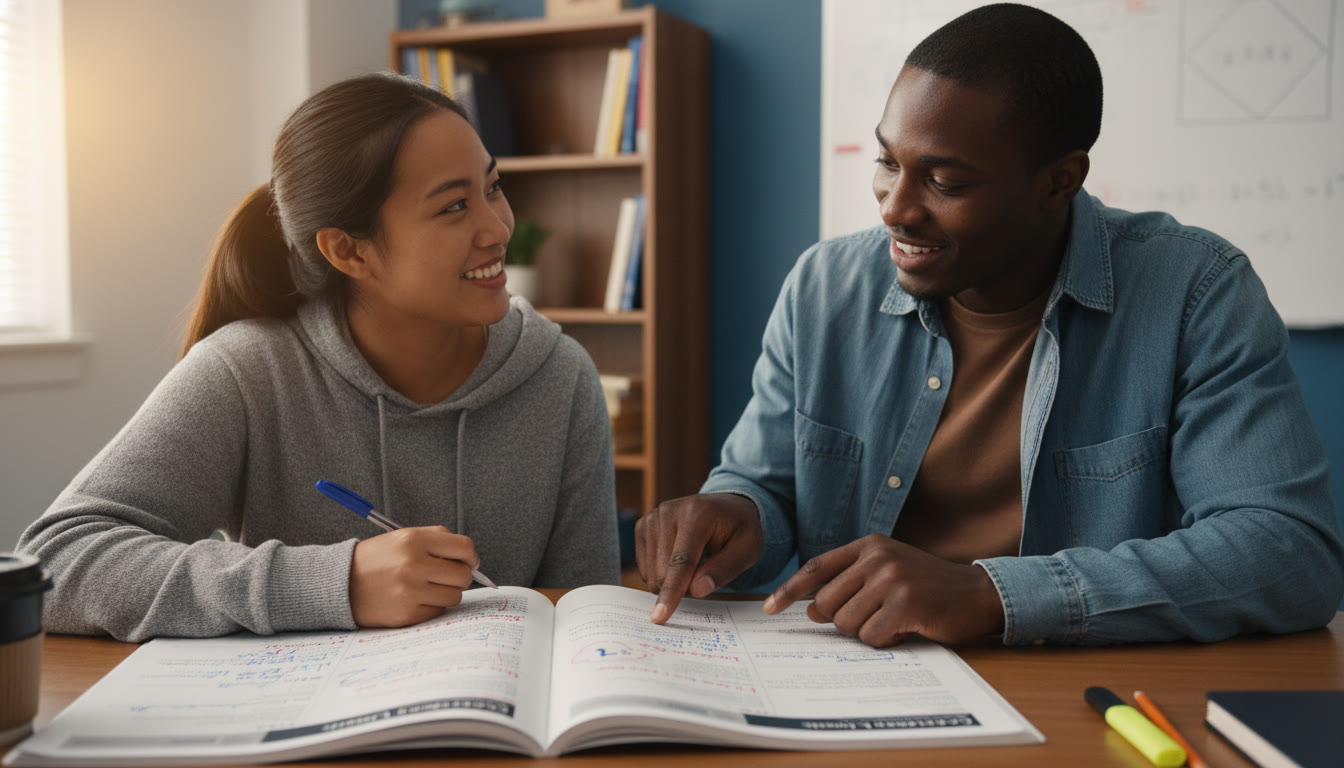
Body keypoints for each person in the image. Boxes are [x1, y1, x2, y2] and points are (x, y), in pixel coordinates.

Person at [636, 3, 1344, 647]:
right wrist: (734, 511)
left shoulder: (1197, 294)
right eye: (888, 161)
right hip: (858, 681)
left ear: (1058, 182)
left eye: (945, 181)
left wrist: (991, 594)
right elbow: (767, 485)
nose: (895, 207)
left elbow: (1288, 553)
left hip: (1077, 693)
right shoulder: (824, 289)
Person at [18, 73, 619, 642]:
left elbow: (585, 618)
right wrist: (335, 584)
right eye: (453, 207)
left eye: (492, 187)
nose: (497, 228)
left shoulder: (561, 378)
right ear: (348, 252)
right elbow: (56, 562)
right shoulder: (248, 370)